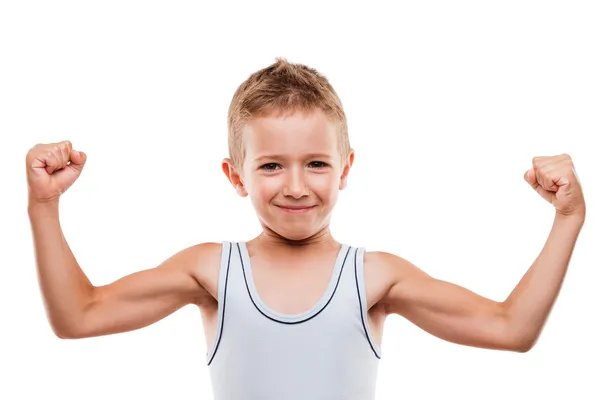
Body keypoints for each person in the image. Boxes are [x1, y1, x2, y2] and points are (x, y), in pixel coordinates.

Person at [26, 57, 586, 400]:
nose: (296, 185)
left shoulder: (375, 276)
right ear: (235, 175)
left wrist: (568, 219)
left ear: (345, 168)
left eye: (316, 163)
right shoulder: (210, 270)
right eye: (271, 165)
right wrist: (43, 206)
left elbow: (511, 329)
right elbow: (79, 316)